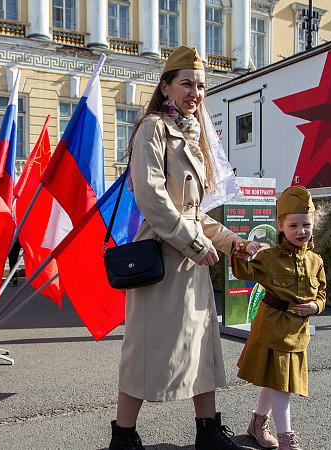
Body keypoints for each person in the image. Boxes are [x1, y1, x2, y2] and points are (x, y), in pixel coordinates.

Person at [110, 46, 255, 450]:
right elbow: (152, 199)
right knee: (146, 350)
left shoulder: (194, 135)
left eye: (202, 86)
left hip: (190, 261)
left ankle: (208, 431)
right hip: (161, 259)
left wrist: (232, 242)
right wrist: (195, 244)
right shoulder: (153, 129)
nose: (196, 92)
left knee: (202, 347)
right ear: (166, 86)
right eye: (187, 83)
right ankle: (123, 437)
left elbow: (195, 211)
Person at [231, 186, 328, 450]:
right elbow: (242, 271)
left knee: (276, 381)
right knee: (281, 385)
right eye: (293, 225)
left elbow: (322, 294)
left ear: (313, 225)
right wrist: (242, 248)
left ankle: (257, 423)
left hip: (297, 334)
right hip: (271, 331)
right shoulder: (269, 257)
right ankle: (287, 438)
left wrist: (316, 307)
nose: (301, 231)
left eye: (306, 224)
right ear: (280, 226)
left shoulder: (316, 261)